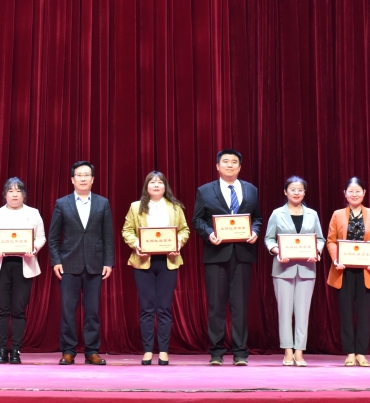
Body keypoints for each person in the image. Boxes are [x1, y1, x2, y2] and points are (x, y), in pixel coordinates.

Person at [191, 149, 262, 366]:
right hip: (216, 254)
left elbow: (257, 218)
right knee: (216, 306)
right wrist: (209, 234)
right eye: (225, 162)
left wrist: (255, 231)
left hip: (242, 254)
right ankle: (216, 352)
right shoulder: (205, 191)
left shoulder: (251, 189)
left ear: (240, 167)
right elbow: (197, 220)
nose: (230, 165)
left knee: (240, 306)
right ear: (217, 166)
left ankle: (240, 352)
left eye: (234, 162)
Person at [48, 161, 114, 365]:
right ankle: (68, 351)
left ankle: (92, 351)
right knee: (68, 310)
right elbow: (53, 237)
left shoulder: (103, 203)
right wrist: (56, 261)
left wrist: (108, 262)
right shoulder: (62, 203)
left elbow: (108, 236)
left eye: (87, 175)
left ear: (93, 179)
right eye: (79, 175)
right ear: (72, 179)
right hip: (69, 264)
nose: (83, 178)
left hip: (95, 264)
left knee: (92, 311)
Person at [121, 171, 189, 366]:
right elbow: (127, 231)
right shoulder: (136, 207)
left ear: (165, 186)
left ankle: (164, 351)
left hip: (168, 261)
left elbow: (184, 230)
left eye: (160, 182)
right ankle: (148, 350)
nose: (156, 185)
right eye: (152, 182)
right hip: (143, 261)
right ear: (147, 186)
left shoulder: (175, 207)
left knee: (165, 308)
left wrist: (178, 243)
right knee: (147, 308)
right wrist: (137, 245)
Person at [0, 177, 46, 364]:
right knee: (2, 309)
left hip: (24, 265)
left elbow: (41, 238)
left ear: (24, 194)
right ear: (5, 194)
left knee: (19, 310)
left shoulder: (33, 213)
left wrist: (34, 248)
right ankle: (2, 350)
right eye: (10, 191)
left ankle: (16, 351)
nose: (15, 194)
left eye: (18, 190)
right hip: (0, 265)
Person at [264, 176, 325, 367]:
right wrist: (277, 251)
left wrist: (316, 251)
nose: (296, 192)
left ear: (304, 193)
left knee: (302, 312)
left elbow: (320, 239)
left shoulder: (312, 214)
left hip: (307, 269)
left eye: (300, 190)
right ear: (285, 192)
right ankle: (287, 351)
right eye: (292, 189)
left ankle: (299, 351)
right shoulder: (277, 214)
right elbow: (269, 239)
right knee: (284, 312)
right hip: (283, 269)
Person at [326, 177, 370, 367]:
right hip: (343, 271)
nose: (354, 194)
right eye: (350, 191)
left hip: (367, 270)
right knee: (346, 313)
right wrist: (336, 259)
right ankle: (350, 353)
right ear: (345, 194)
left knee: (364, 314)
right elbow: (331, 240)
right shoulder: (337, 215)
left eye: (358, 191)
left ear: (364, 193)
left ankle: (361, 353)